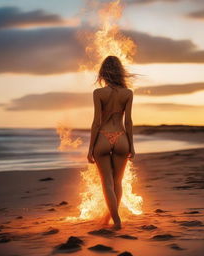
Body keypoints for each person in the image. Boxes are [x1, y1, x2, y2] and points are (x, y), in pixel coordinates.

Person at [87, 55, 135, 230]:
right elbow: (128, 122)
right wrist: (132, 146)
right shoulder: (128, 93)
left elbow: (96, 122)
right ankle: (111, 217)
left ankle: (116, 221)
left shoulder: (98, 93)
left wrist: (90, 148)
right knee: (118, 182)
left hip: (103, 137)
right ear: (120, 72)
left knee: (107, 182)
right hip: (121, 137)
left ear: (104, 73)